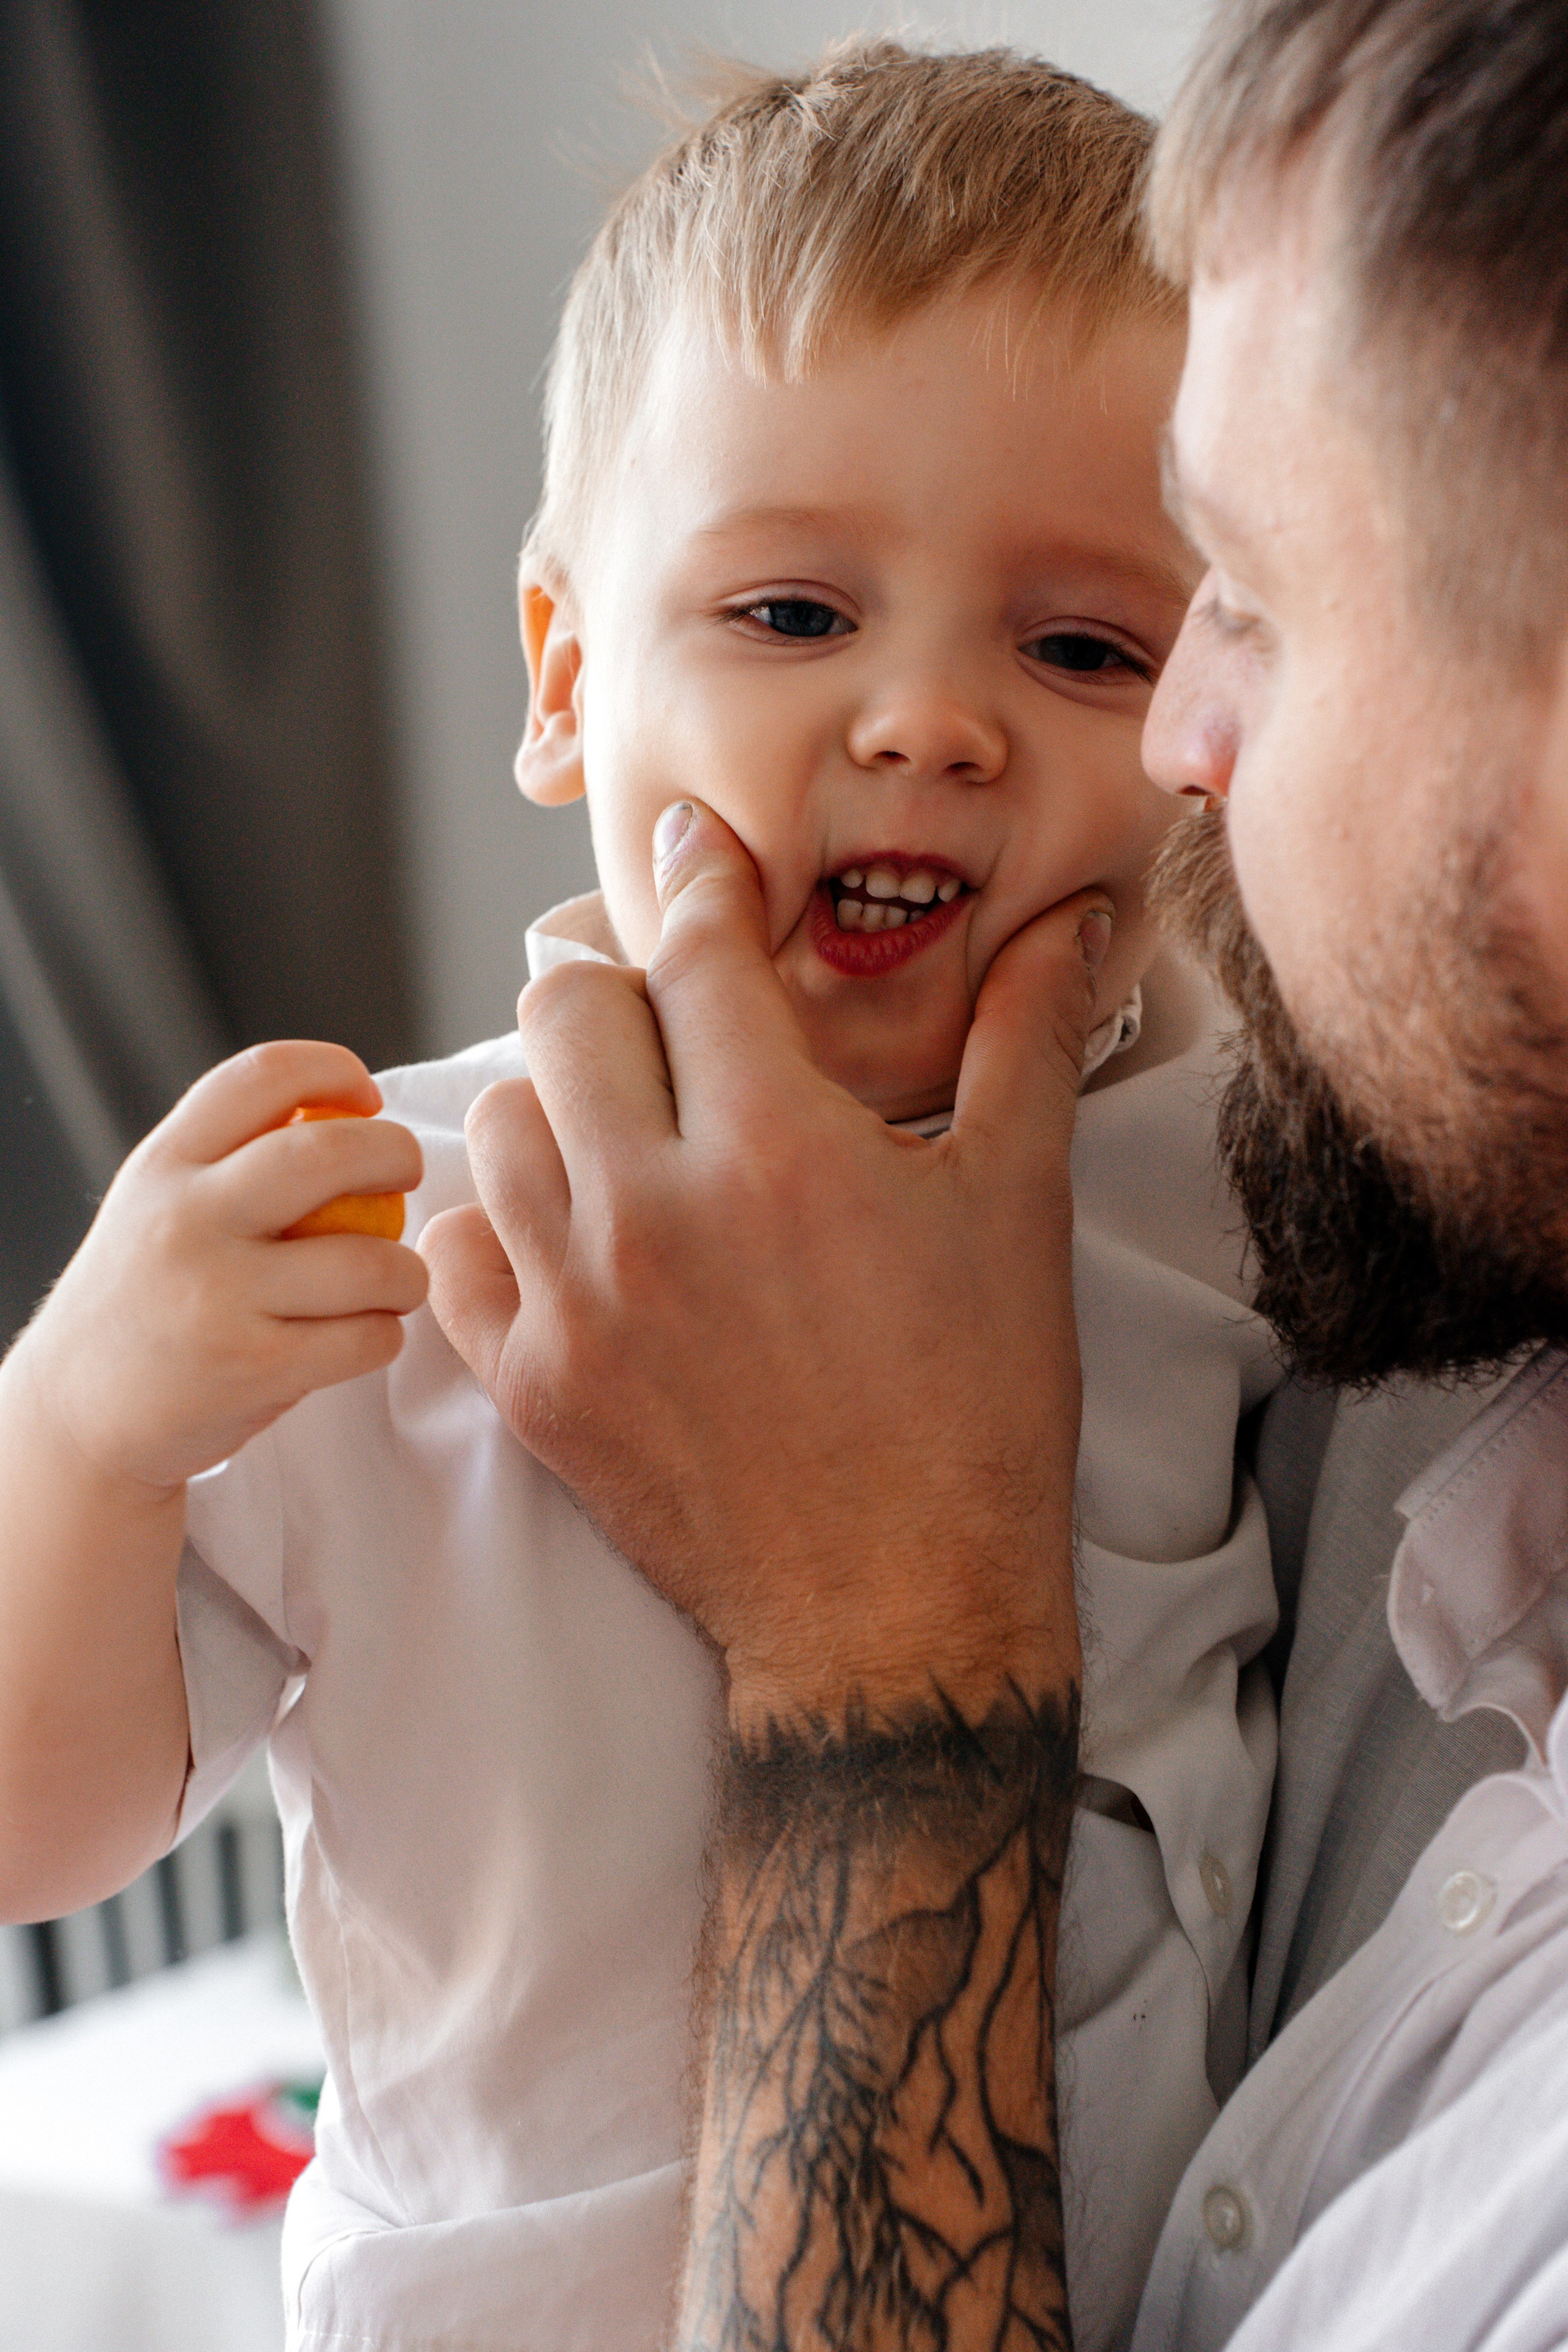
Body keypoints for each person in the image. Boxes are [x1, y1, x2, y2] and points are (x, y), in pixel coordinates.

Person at [0, 44, 1291, 2352]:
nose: (928, 722)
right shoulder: (384, 1216)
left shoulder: (1242, 1186)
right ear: (568, 675)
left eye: (1082, 648)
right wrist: (81, 1438)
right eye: (794, 617)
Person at [418, 1, 1568, 2347]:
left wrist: (886, 1632)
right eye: (793, 608)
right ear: (562, 661)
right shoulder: (1415, 1271)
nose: (1179, 741)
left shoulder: (1255, 1233)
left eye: (1205, 602)